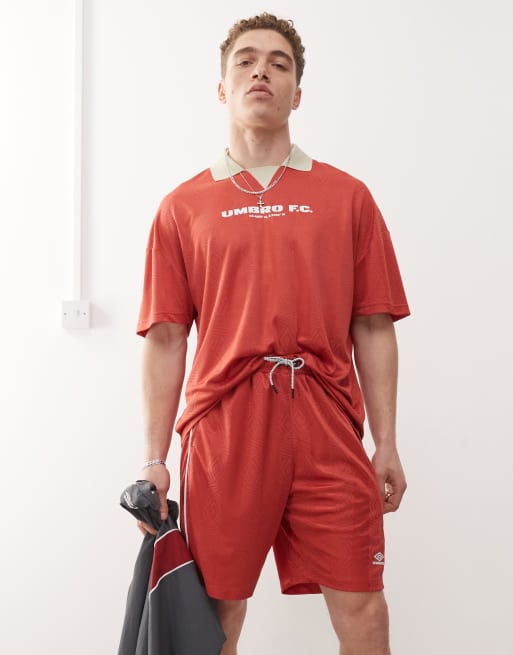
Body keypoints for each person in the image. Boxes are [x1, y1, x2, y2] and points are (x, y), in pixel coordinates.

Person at [136, 12, 410, 655]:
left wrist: (388, 442)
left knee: (364, 608)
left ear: (297, 93)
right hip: (225, 427)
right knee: (214, 616)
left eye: (279, 63)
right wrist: (154, 459)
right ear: (222, 87)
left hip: (327, 420)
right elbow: (166, 339)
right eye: (246, 60)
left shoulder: (347, 196)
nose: (262, 70)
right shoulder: (183, 207)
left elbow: (373, 325)